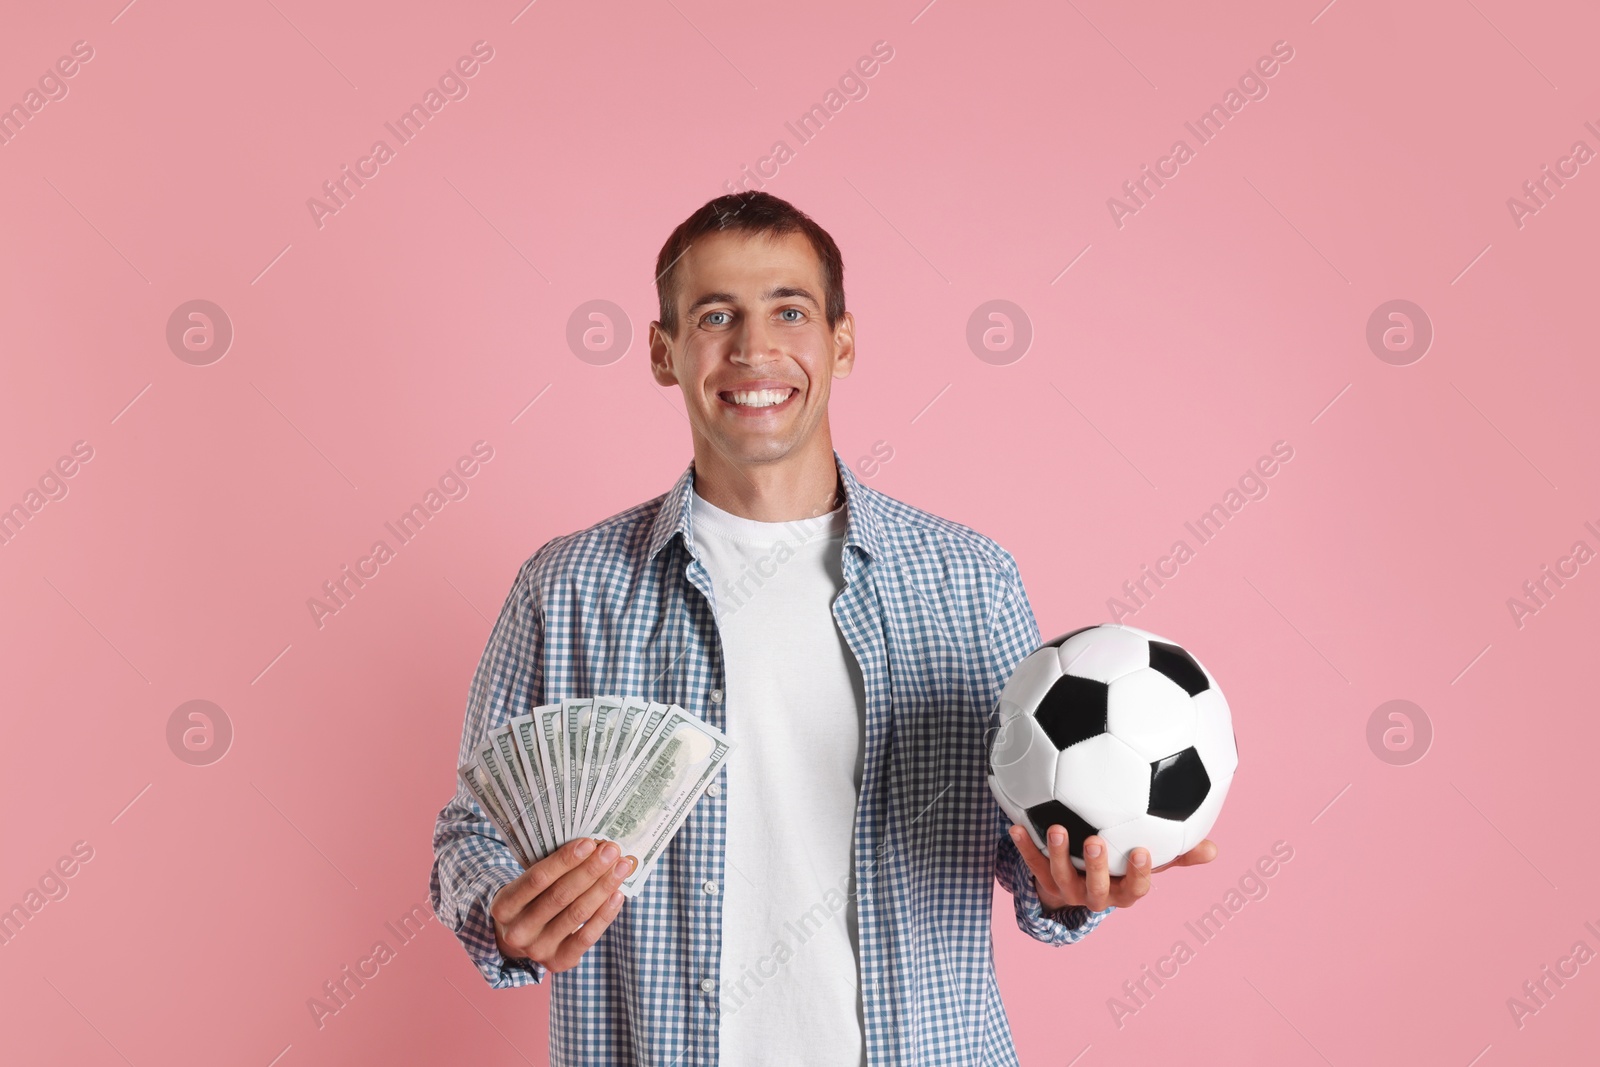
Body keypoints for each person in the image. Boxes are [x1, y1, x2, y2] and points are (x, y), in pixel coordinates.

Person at [430, 191, 1217, 1066]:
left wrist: (1071, 886)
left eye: (790, 310)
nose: (754, 349)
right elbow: (472, 831)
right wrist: (503, 915)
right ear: (664, 352)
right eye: (715, 314)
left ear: (842, 341)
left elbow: (1024, 838)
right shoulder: (568, 589)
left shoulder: (968, 581)